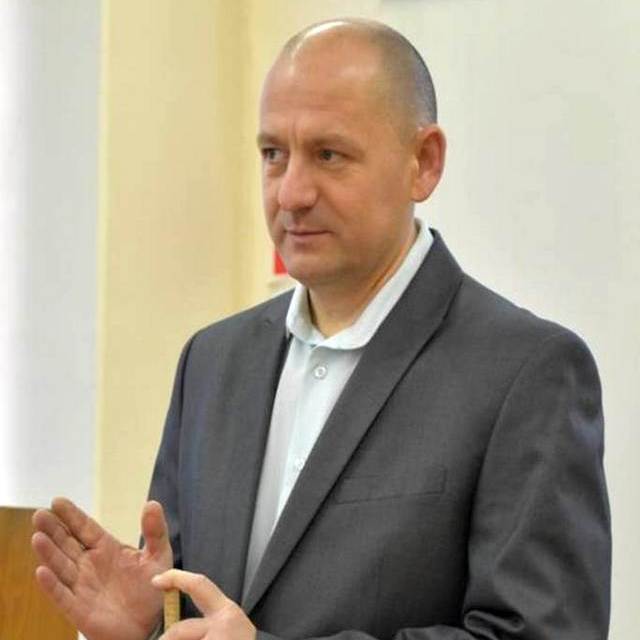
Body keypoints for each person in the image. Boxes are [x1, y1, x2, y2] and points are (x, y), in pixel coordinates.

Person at [31, 18, 611, 640]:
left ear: (424, 162)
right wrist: (150, 626)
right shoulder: (213, 361)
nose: (291, 193)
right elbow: (203, 617)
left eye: (329, 155)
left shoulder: (526, 372)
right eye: (273, 155)